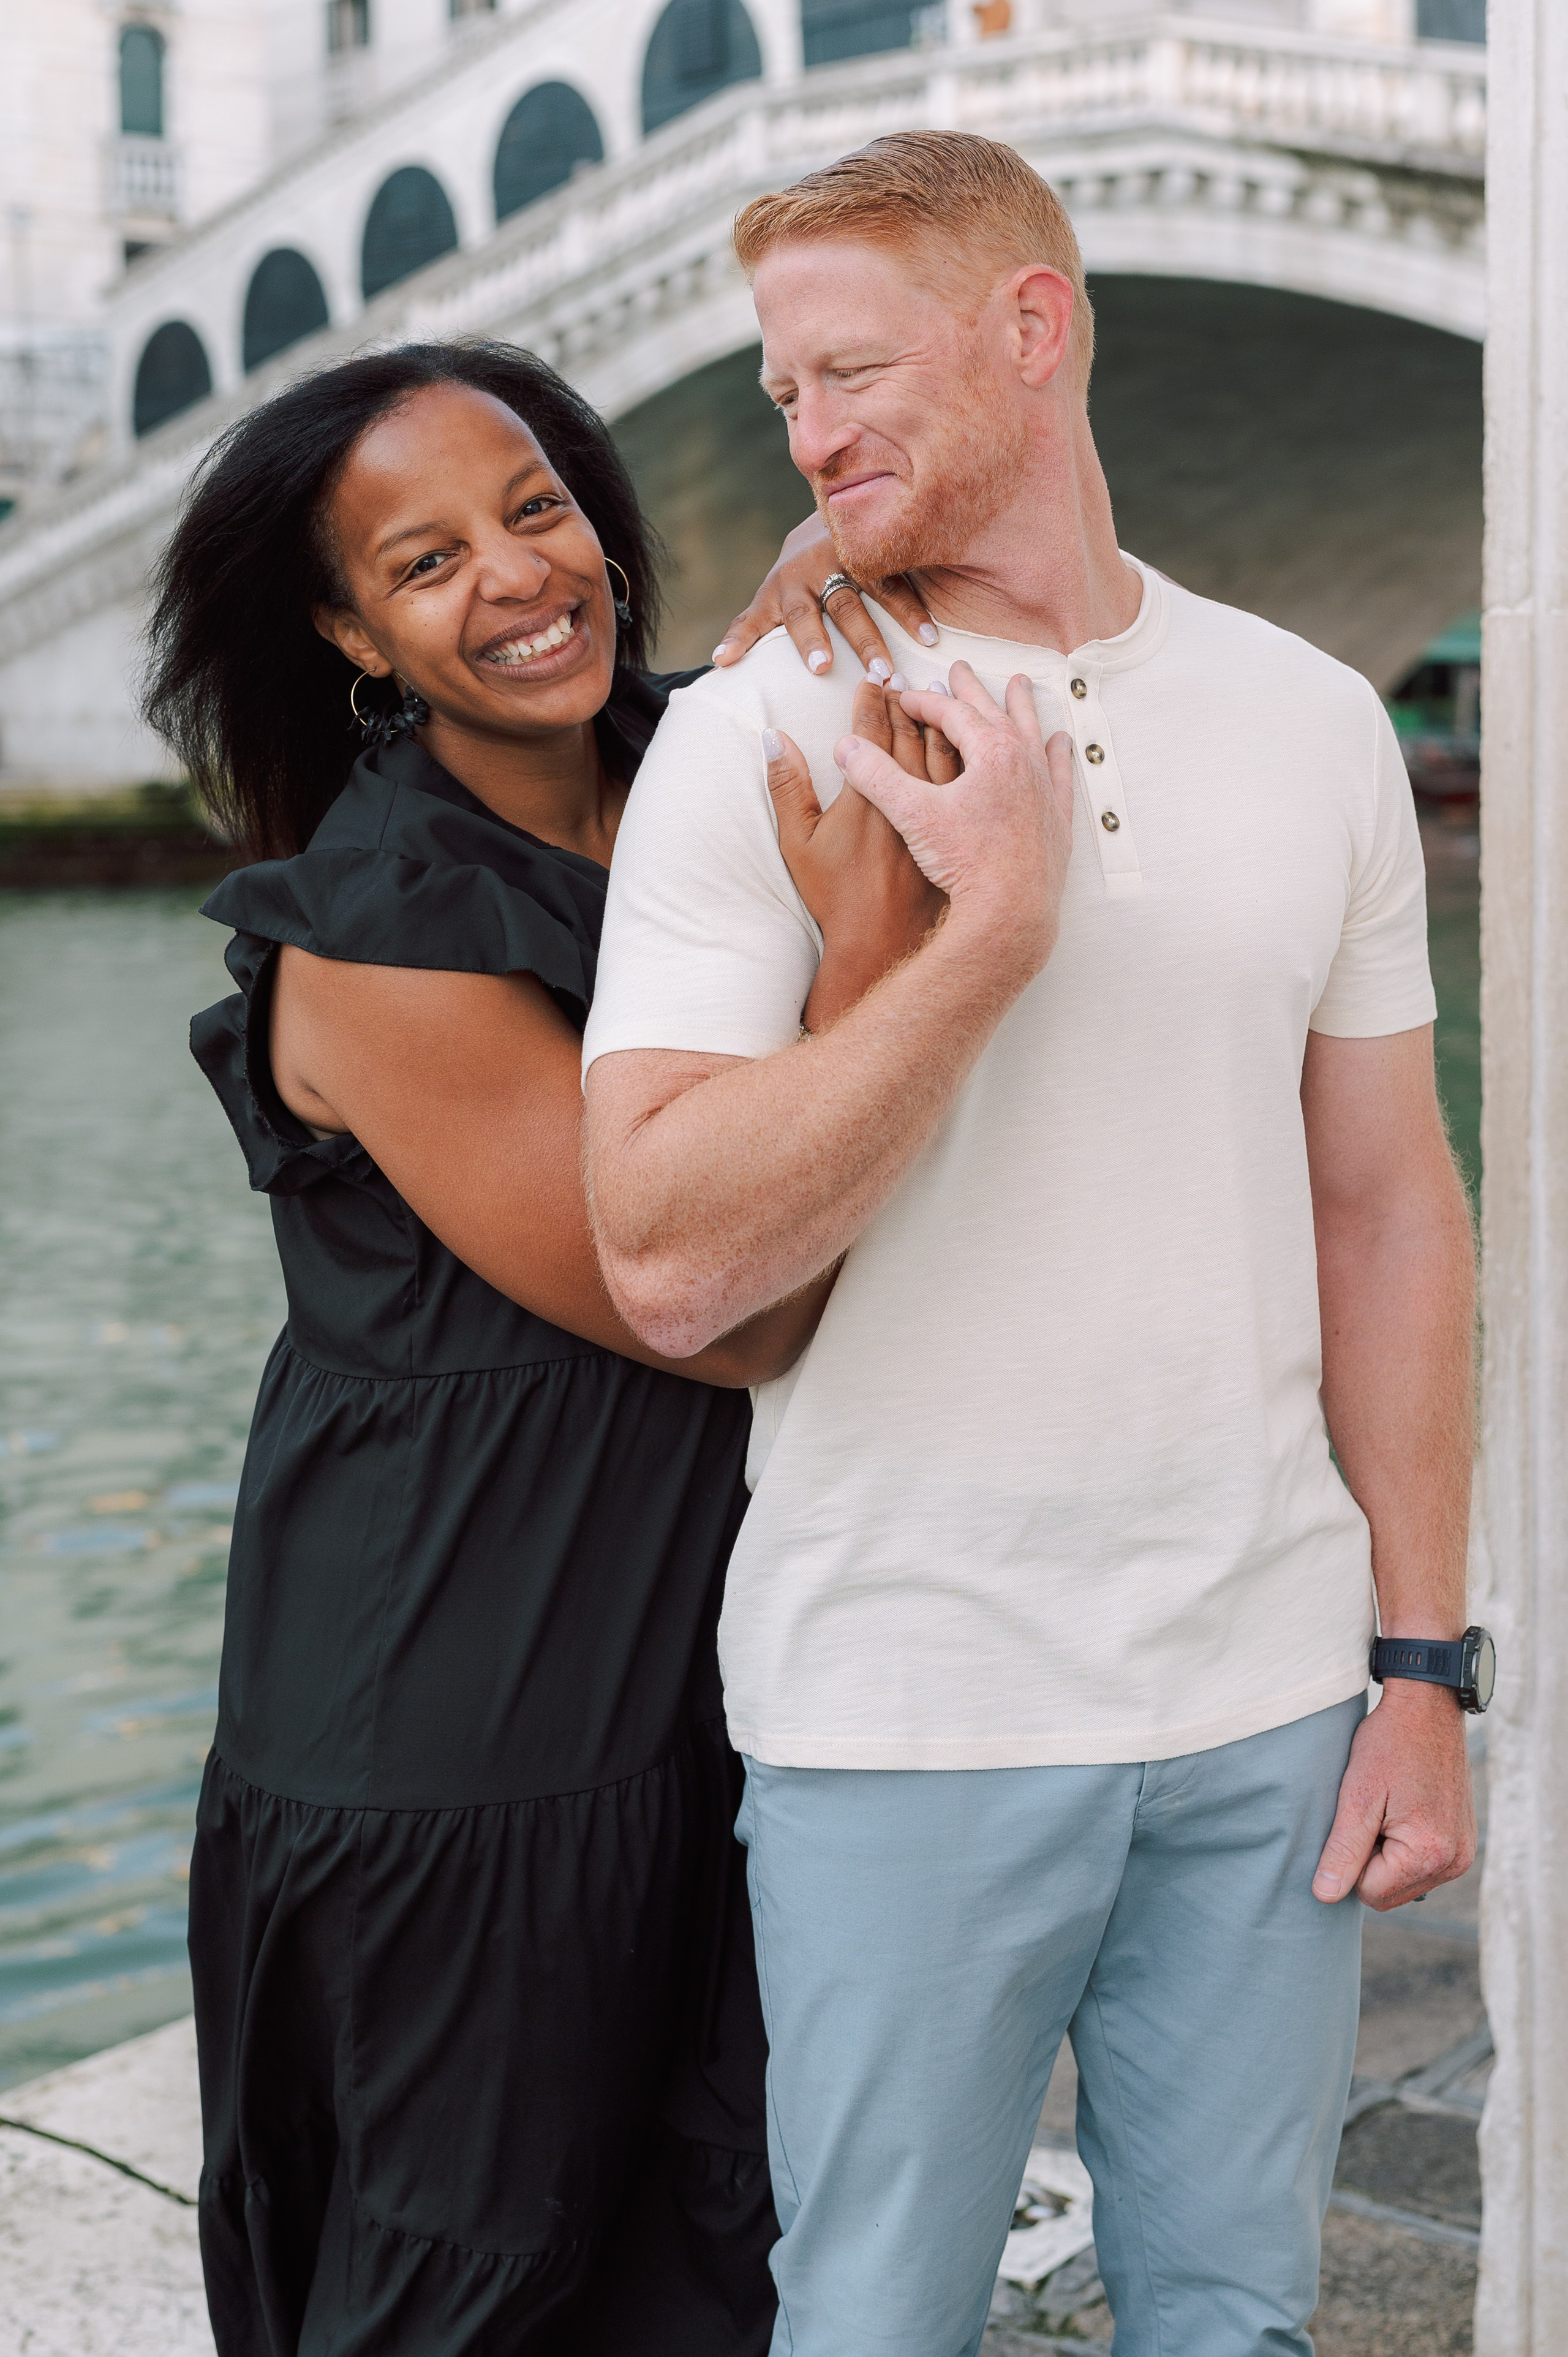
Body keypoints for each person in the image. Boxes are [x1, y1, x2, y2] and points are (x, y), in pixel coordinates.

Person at [581, 134, 1481, 2356]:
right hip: (909, 1704)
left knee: (1236, 2321)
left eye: (853, 368)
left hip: (1270, 1702)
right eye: (787, 391)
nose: (810, 431)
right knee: (875, 2326)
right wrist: (985, 935)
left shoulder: (1315, 717)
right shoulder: (756, 734)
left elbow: (1385, 1211)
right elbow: (670, 1261)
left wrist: (1422, 1669)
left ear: (1035, 325)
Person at [143, 339, 934, 2357]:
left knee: (713, 2249)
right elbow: (727, 1301)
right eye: (423, 562)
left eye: (536, 509)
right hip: (459, 1723)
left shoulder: (708, 764)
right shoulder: (383, 940)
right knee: (470, 2286)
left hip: (700, 1677)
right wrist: (872, 967)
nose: (517, 577)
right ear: (349, 632)